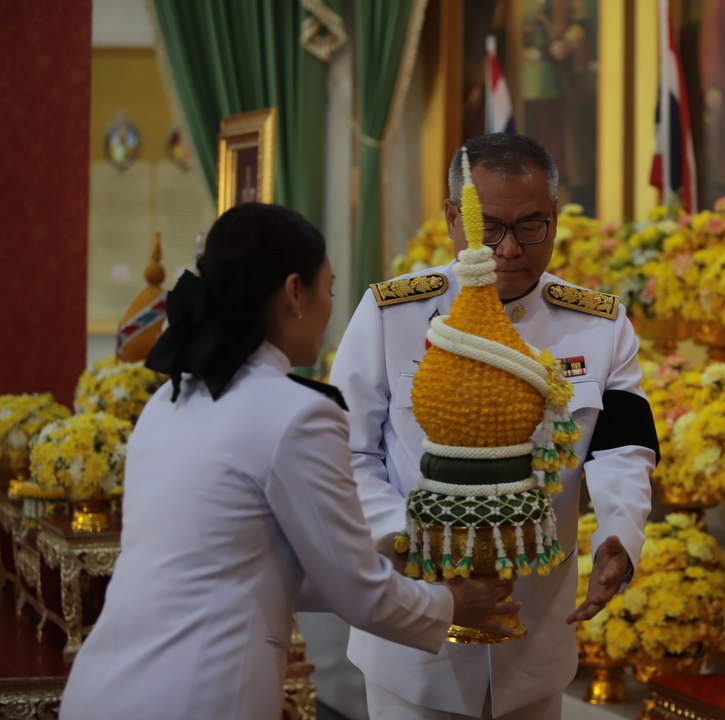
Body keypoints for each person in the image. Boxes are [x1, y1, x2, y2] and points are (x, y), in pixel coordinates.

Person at [59, 203, 516, 720]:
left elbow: (251, 563)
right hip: (198, 691)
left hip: (103, 685)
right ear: (294, 292)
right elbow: (360, 596)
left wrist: (405, 562)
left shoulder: (170, 400)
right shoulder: (297, 414)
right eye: (330, 290)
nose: (331, 308)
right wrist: (456, 603)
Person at [331, 133, 658, 719]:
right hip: (416, 630)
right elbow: (347, 456)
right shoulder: (393, 314)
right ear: (454, 218)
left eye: (532, 226)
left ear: (555, 216)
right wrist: (411, 543)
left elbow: (623, 449)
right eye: (490, 228)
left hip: (534, 634)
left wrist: (621, 535)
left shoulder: (599, 326)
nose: (510, 249)